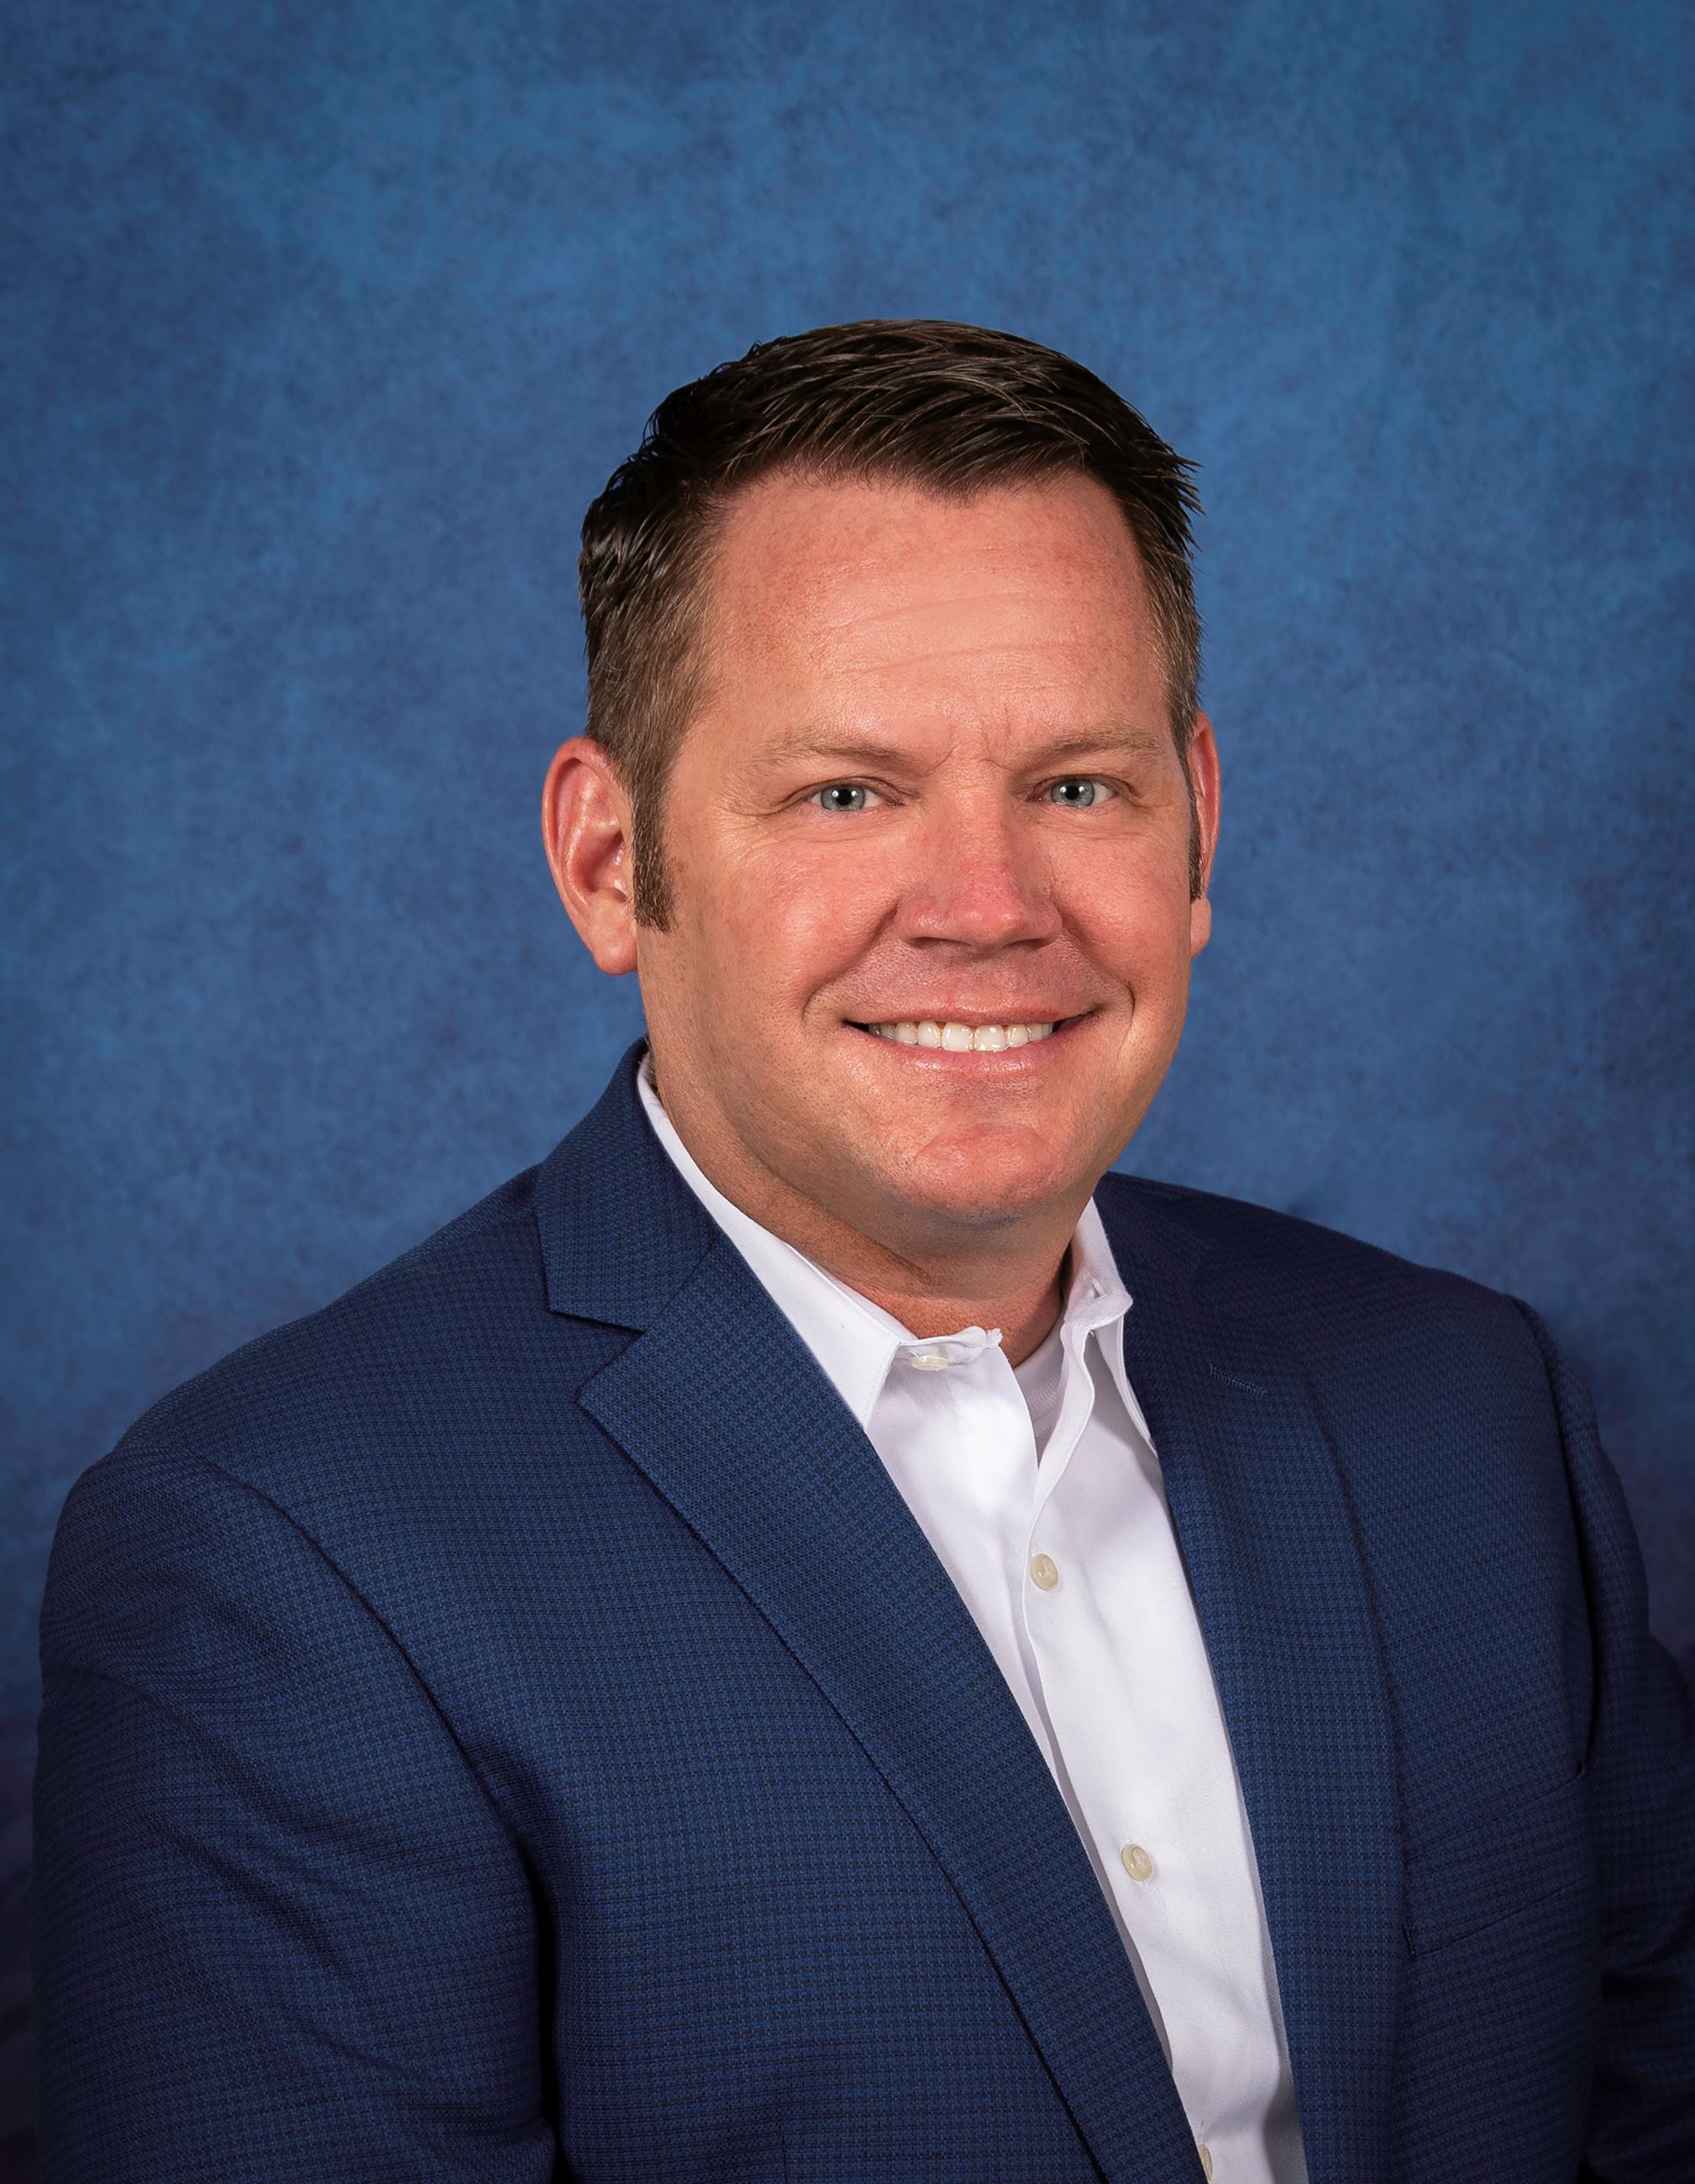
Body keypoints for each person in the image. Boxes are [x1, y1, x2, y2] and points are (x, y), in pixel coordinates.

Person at [32, 319, 1694, 2184]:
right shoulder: (284, 1560)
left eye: (1078, 786)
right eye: (846, 792)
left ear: (1198, 823)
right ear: (608, 862)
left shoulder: (1463, 1405)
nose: (987, 908)